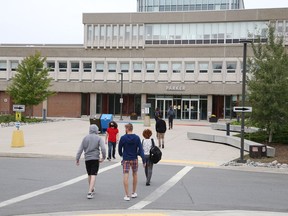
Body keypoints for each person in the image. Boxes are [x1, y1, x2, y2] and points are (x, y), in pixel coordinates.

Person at [76, 124, 106, 199]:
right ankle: (90, 192)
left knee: (89, 174)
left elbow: (80, 149)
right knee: (93, 174)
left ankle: (91, 188)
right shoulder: (98, 138)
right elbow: (103, 148)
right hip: (95, 158)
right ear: (96, 130)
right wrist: (103, 157)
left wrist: (77, 158)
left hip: (87, 158)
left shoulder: (85, 138)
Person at [118, 123, 146, 201]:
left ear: (127, 129)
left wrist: (122, 155)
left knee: (126, 175)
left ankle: (127, 195)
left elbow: (119, 149)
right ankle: (133, 192)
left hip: (126, 158)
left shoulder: (123, 138)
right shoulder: (137, 138)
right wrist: (144, 160)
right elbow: (140, 150)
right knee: (135, 174)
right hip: (134, 158)